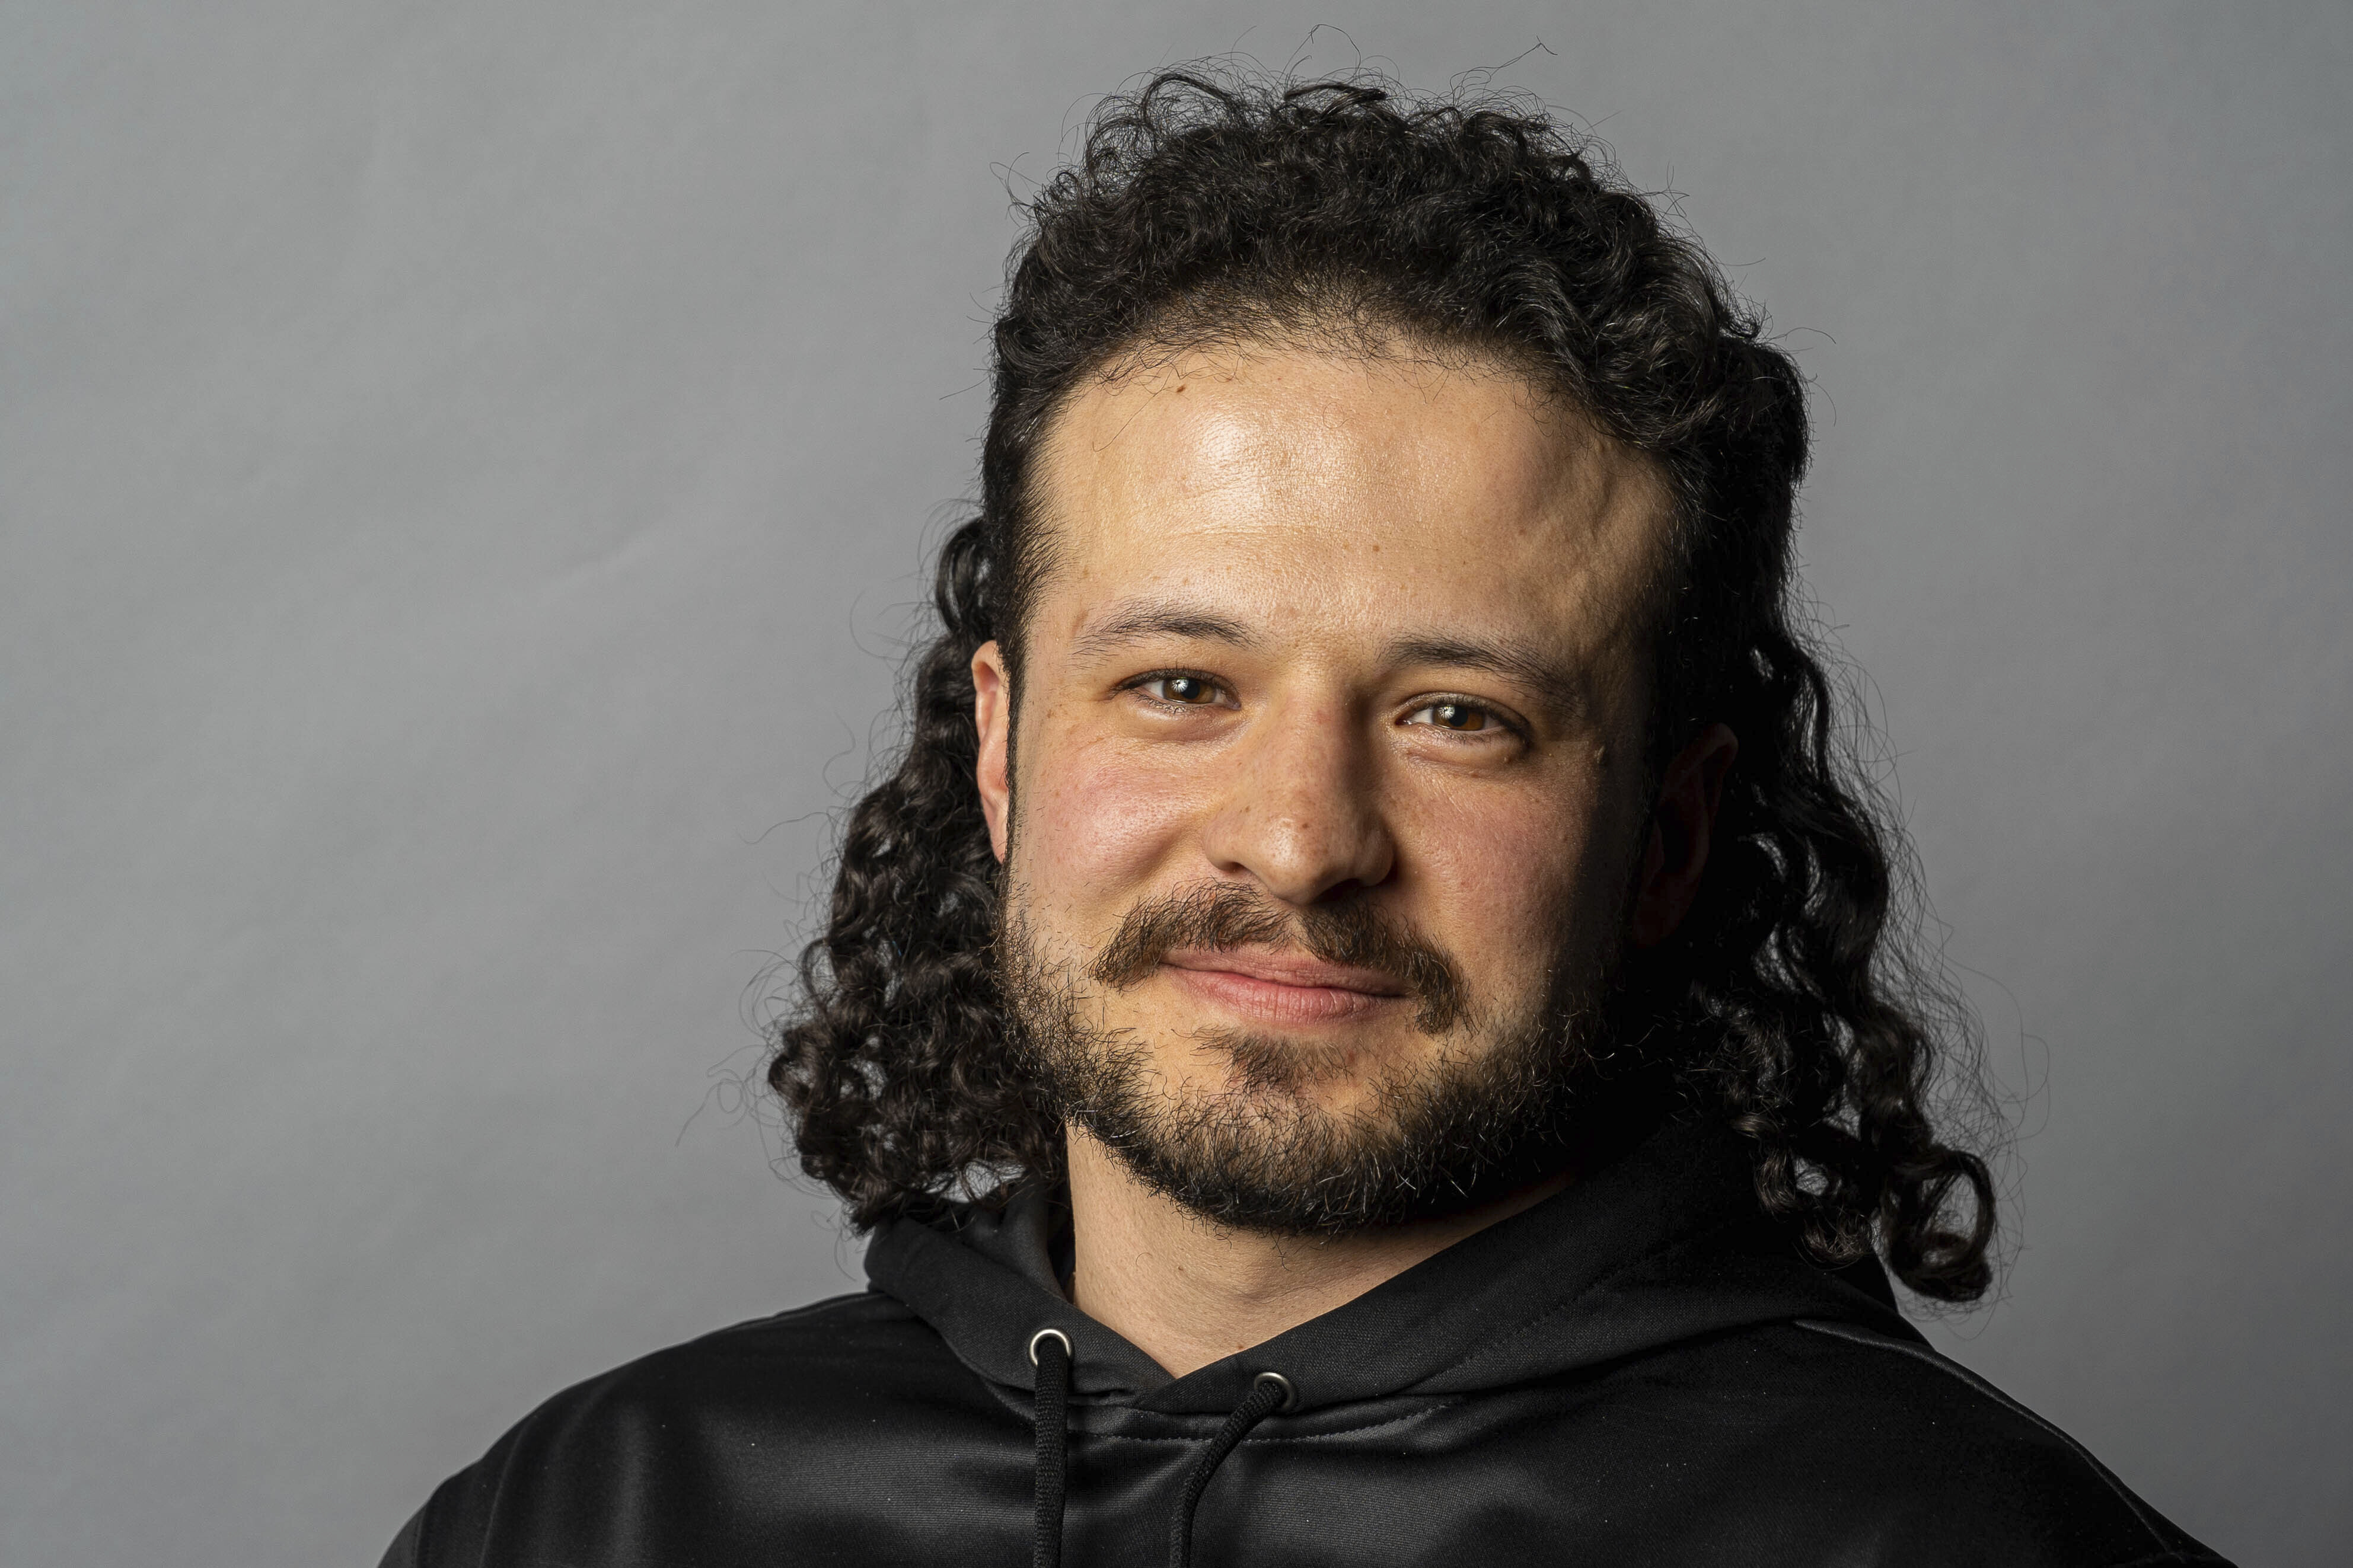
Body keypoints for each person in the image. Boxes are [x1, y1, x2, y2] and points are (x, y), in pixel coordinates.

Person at [382, 71, 2226, 1567]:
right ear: (1004, 752)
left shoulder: (1952, 1545)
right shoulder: (597, 1516)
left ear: (1670, 836)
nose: (1297, 840)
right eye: (1181, 685)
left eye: (1457, 718)